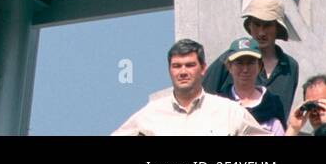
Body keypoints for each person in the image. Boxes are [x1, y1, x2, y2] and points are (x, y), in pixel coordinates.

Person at [113, 38, 269, 136]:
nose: (182, 72)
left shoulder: (229, 112)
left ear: (203, 69)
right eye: (176, 66)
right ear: (169, 70)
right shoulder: (151, 114)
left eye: (189, 65)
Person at [202, 0, 299, 124]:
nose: (261, 32)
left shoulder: (290, 67)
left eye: (267, 25)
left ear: (277, 28)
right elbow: (203, 97)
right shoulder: (229, 59)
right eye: (257, 25)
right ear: (250, 26)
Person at [222, 36, 285, 134]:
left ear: (259, 66)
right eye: (239, 63)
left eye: (250, 63)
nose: (245, 69)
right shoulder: (219, 103)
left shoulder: (273, 105)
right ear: (229, 66)